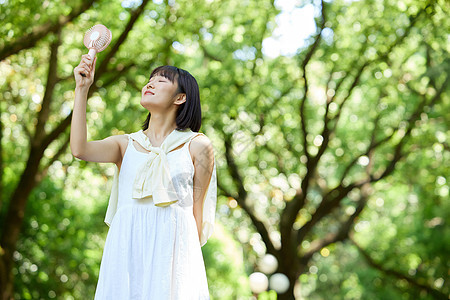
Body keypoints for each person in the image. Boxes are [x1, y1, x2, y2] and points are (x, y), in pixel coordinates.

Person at [70, 54, 217, 299]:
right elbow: (79, 149)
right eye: (150, 79)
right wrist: (82, 88)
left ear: (180, 97)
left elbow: (196, 215)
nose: (150, 84)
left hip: (172, 253)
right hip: (126, 247)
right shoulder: (125, 144)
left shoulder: (198, 146)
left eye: (162, 80)